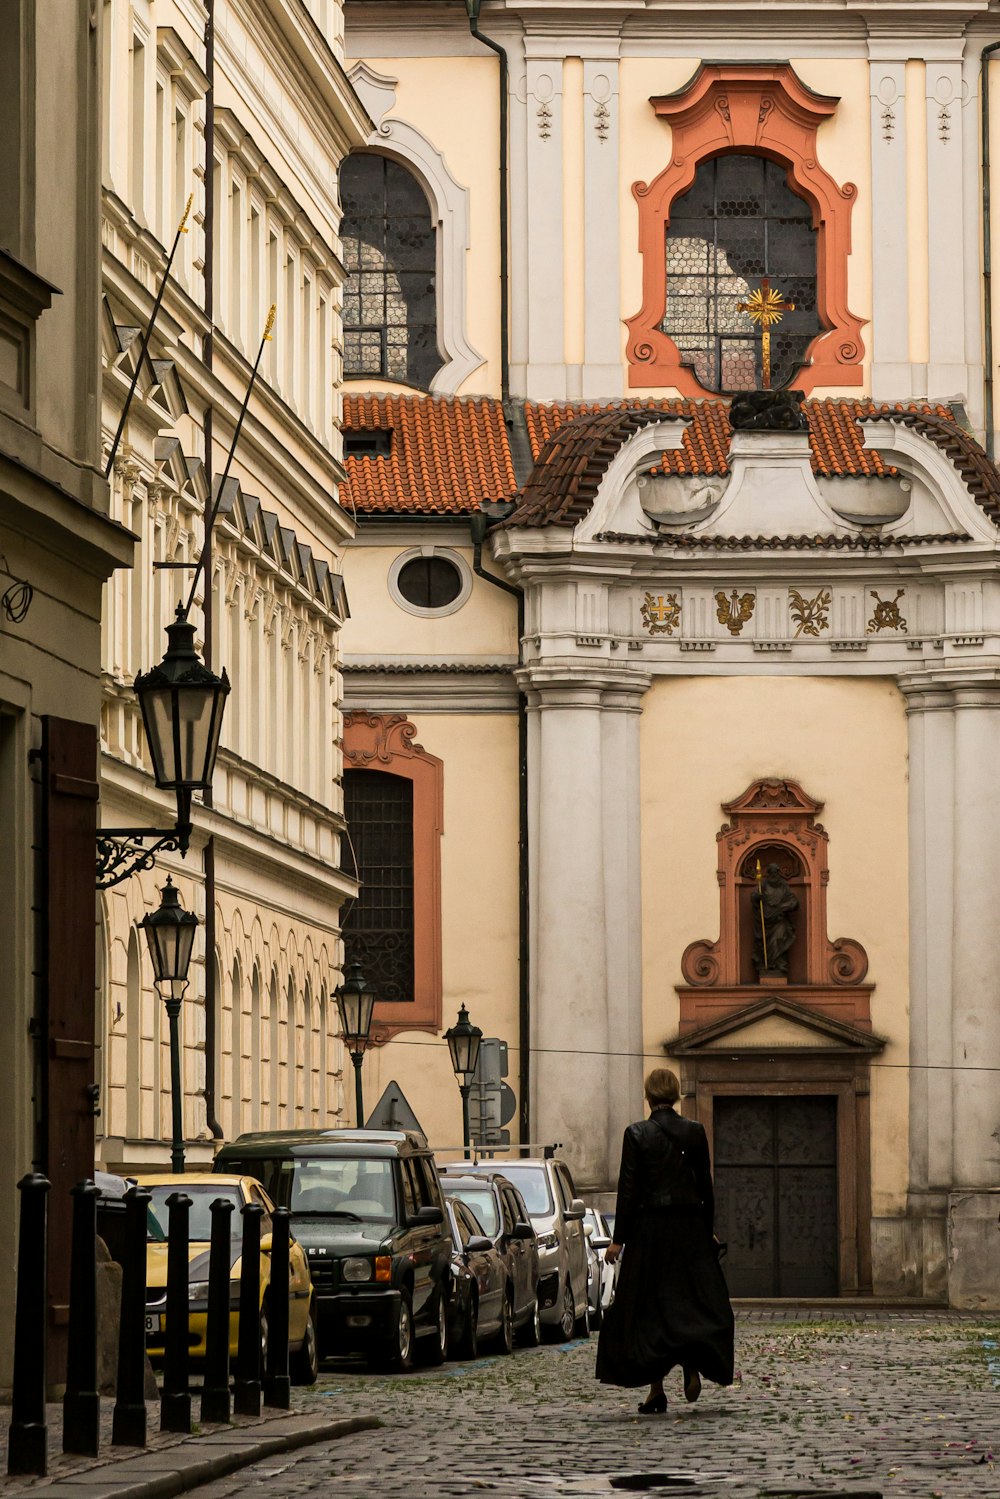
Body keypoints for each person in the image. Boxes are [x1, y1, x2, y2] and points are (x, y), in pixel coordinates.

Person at [595, 1068, 734, 1413]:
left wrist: (618, 1240)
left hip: (650, 1232)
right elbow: (706, 1188)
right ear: (674, 1095)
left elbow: (629, 1191)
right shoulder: (695, 1131)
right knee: (689, 1301)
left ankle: (656, 1390)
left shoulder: (637, 1134)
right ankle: (690, 1365)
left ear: (648, 1096)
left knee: (649, 1309)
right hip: (688, 1230)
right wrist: (707, 1229)